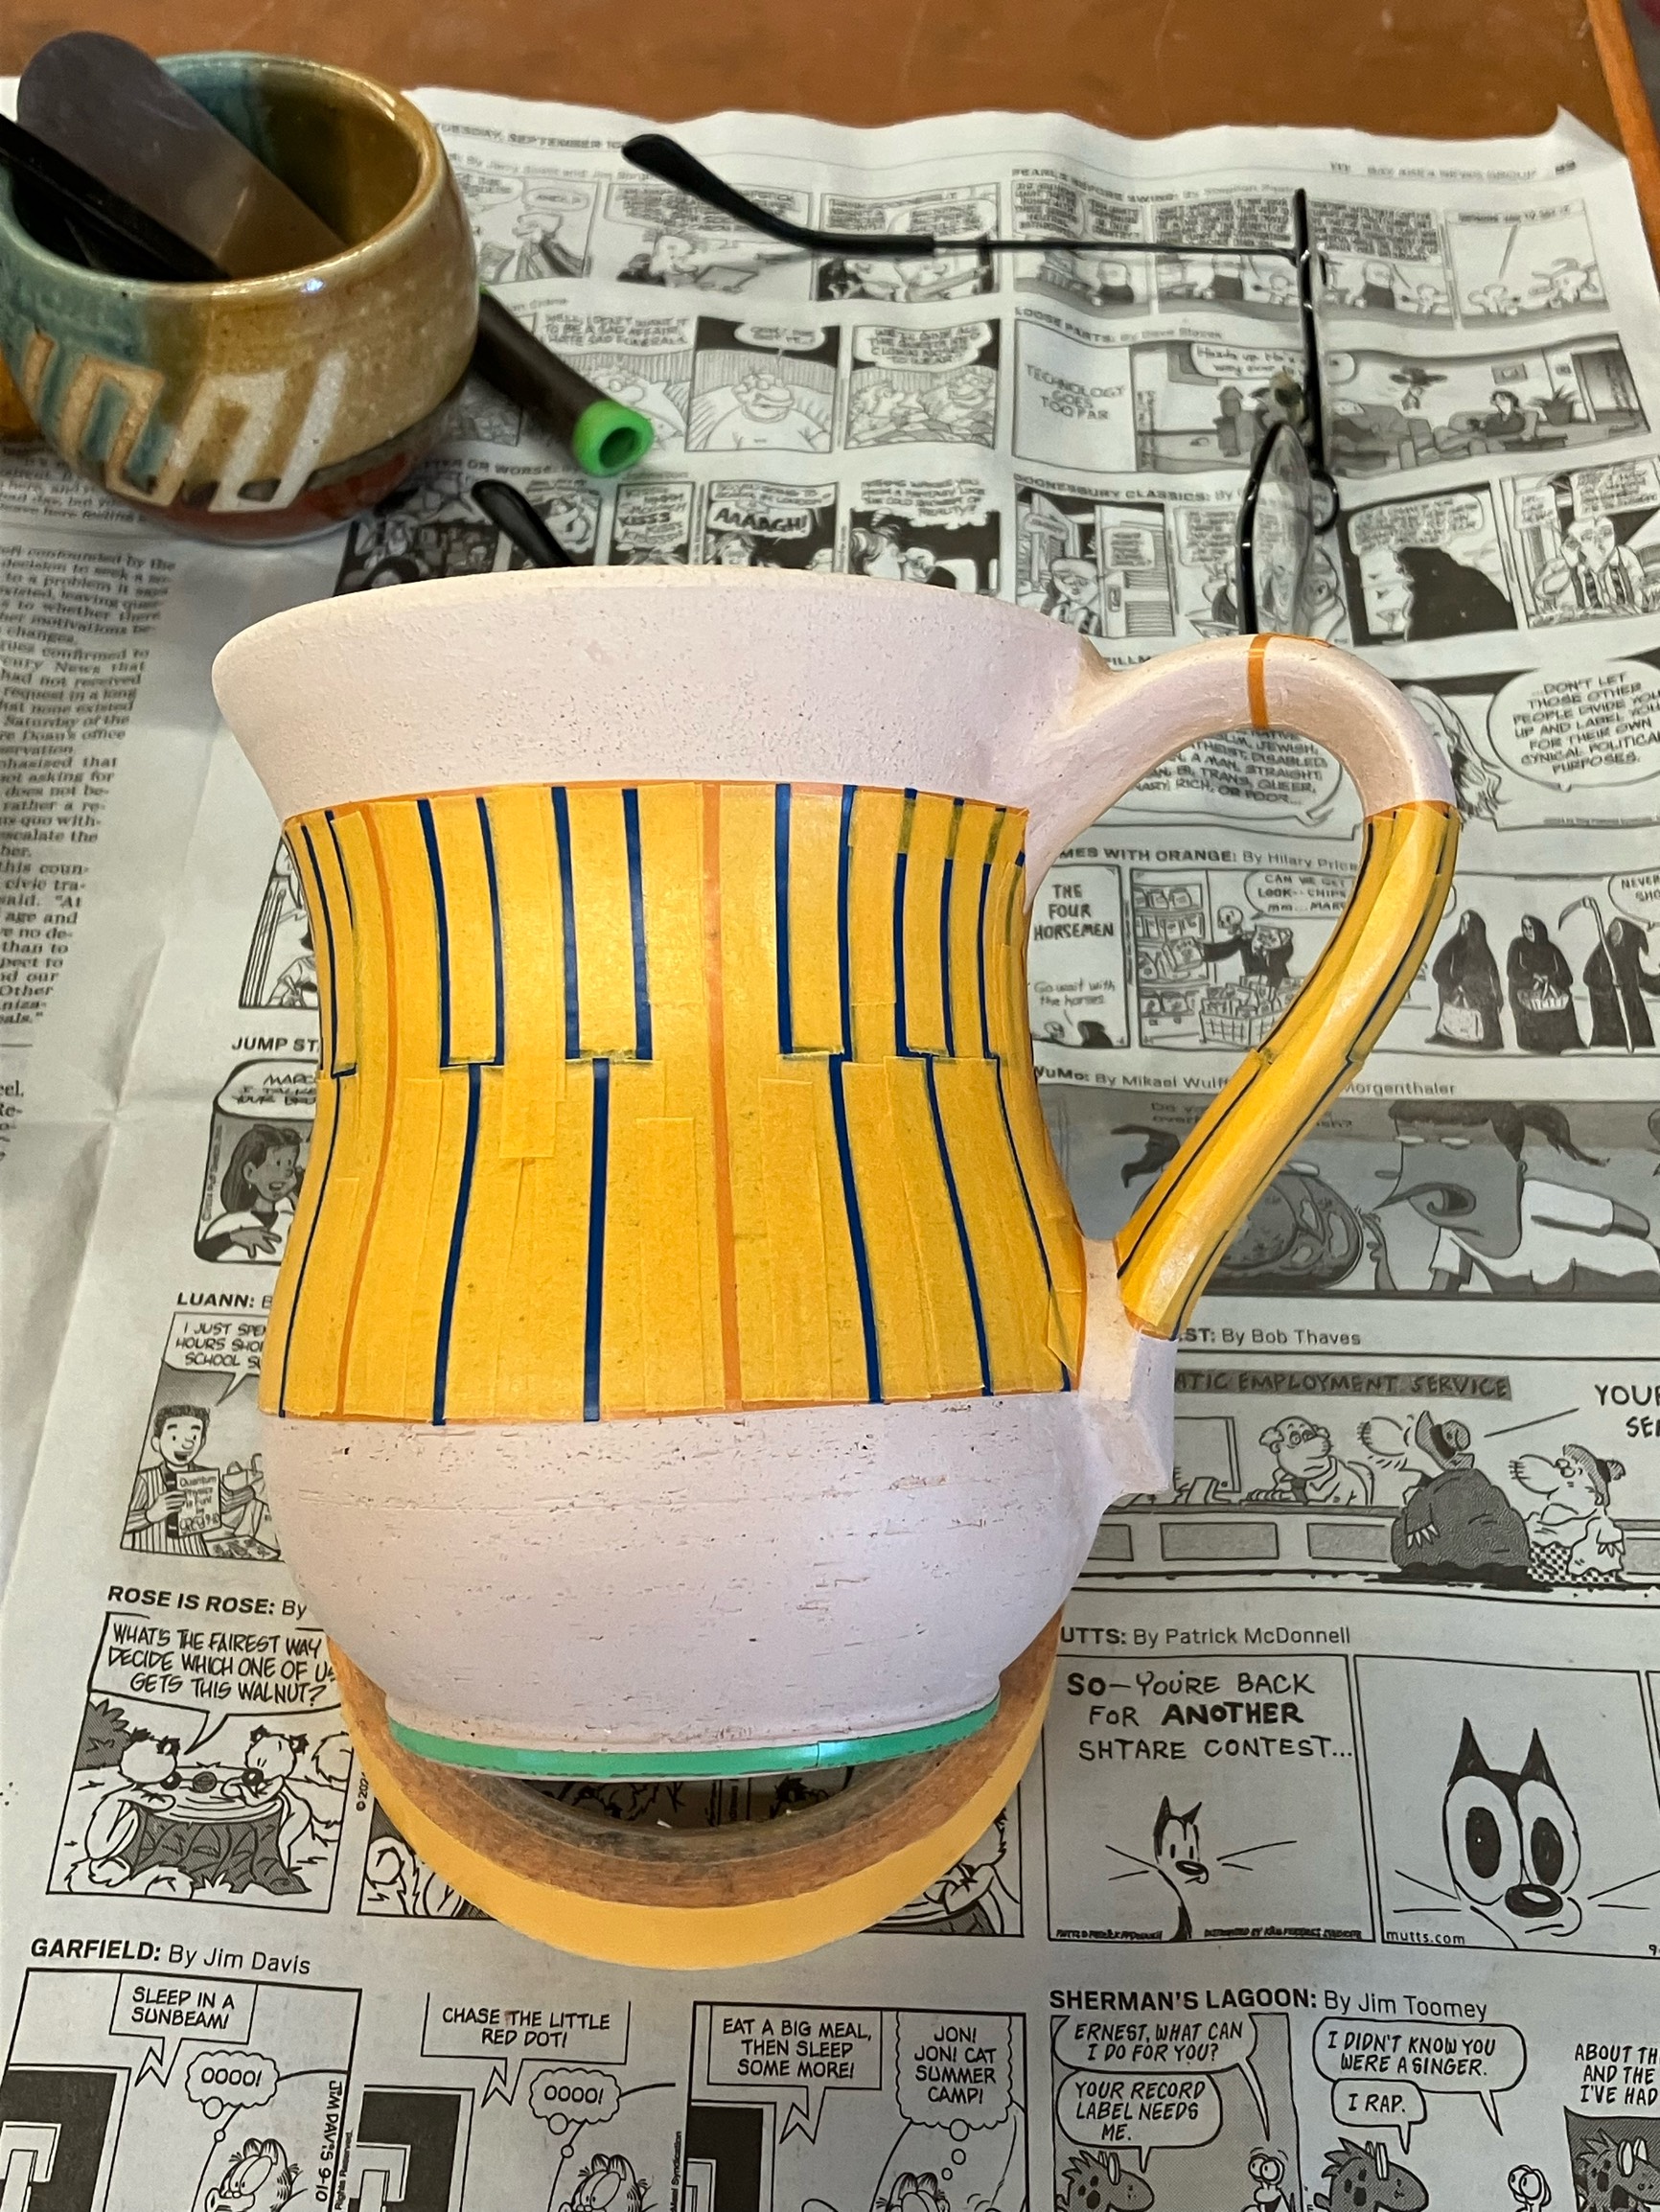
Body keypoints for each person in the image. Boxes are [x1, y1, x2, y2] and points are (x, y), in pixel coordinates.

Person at [1370, 1098, 1660, 1297]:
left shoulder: (1539, 1199)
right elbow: (1435, 1302)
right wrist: (1382, 1264)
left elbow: (1637, 1224)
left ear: (1517, 1170)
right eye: (1411, 1146)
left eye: (1458, 1148)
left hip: (1643, 1277)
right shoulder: (1453, 1231)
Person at [1390, 1413, 1532, 1585]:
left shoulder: (1438, 1489)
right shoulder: (1478, 1482)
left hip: (1465, 1556)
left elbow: (1420, 1514)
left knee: (1408, 1529)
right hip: (1503, 1556)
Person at [196, 1124, 303, 1261]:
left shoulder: (289, 1220)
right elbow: (202, 1251)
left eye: (289, 1164)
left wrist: (292, 1195)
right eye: (277, 1164)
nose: (287, 1173)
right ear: (250, 1173)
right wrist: (235, 1237)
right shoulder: (231, 1222)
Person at [125, 1404, 219, 1556]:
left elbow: (224, 1502)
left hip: (195, 1554)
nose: (187, 1444)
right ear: (157, 1443)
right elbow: (120, 1523)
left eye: (194, 1437)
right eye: (174, 1437)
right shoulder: (146, 1480)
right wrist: (150, 1515)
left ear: (202, 1442)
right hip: (155, 1555)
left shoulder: (204, 1476)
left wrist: (253, 1489)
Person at [1396, 543, 1516, 639]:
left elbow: (1421, 630)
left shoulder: (1432, 592)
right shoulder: (1469, 576)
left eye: (1406, 567)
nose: (1400, 571)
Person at [1256, 1417, 1372, 1506]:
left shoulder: (1341, 1477)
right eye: (1296, 1439)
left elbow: (1327, 1510)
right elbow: (1285, 1497)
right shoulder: (1288, 1478)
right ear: (1277, 1447)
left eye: (1308, 1435)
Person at [1429, 910, 1504, 1049]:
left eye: (1467, 922)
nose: (1464, 925)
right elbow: (1438, 970)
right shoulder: (1452, 945)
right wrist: (1453, 984)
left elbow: (1492, 977)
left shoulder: (1483, 951)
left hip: (1478, 994)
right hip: (1455, 991)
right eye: (1462, 921)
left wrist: (1497, 995)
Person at [1507, 914, 1581, 1052]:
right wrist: (1532, 977)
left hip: (1550, 993)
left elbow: (1567, 977)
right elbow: (1512, 972)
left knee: (1563, 1003)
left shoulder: (1552, 949)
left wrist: (1550, 978)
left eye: (1530, 928)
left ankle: (1564, 1042)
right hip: (1526, 993)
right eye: (1524, 928)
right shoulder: (1517, 946)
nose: (1527, 932)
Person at [1584, 916, 1660, 1048]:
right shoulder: (1602, 953)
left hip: (1632, 1006)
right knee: (1613, 1041)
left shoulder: (1629, 954)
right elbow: (1589, 976)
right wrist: (1609, 981)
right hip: (1609, 1009)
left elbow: (1641, 979)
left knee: (1640, 1038)